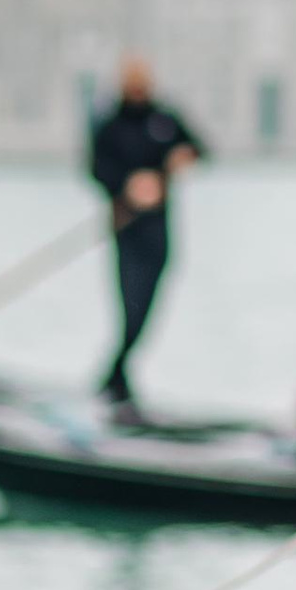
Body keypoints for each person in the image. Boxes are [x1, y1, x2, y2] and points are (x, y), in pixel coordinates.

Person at [88, 62, 204, 412]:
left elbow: (200, 148)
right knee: (131, 307)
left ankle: (116, 377)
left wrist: (181, 159)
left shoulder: (165, 119)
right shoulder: (109, 125)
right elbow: (96, 169)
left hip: (158, 231)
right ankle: (115, 379)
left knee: (149, 306)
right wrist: (129, 187)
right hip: (126, 230)